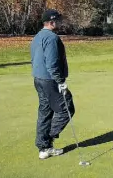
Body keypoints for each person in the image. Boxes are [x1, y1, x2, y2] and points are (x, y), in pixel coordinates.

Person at [31, 9, 75, 159]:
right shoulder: (52, 38)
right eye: (58, 20)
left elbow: (34, 58)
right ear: (51, 22)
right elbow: (52, 63)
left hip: (38, 79)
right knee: (66, 109)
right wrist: (60, 81)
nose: (60, 23)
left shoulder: (37, 36)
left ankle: (43, 149)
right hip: (50, 80)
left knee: (45, 111)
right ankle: (47, 141)